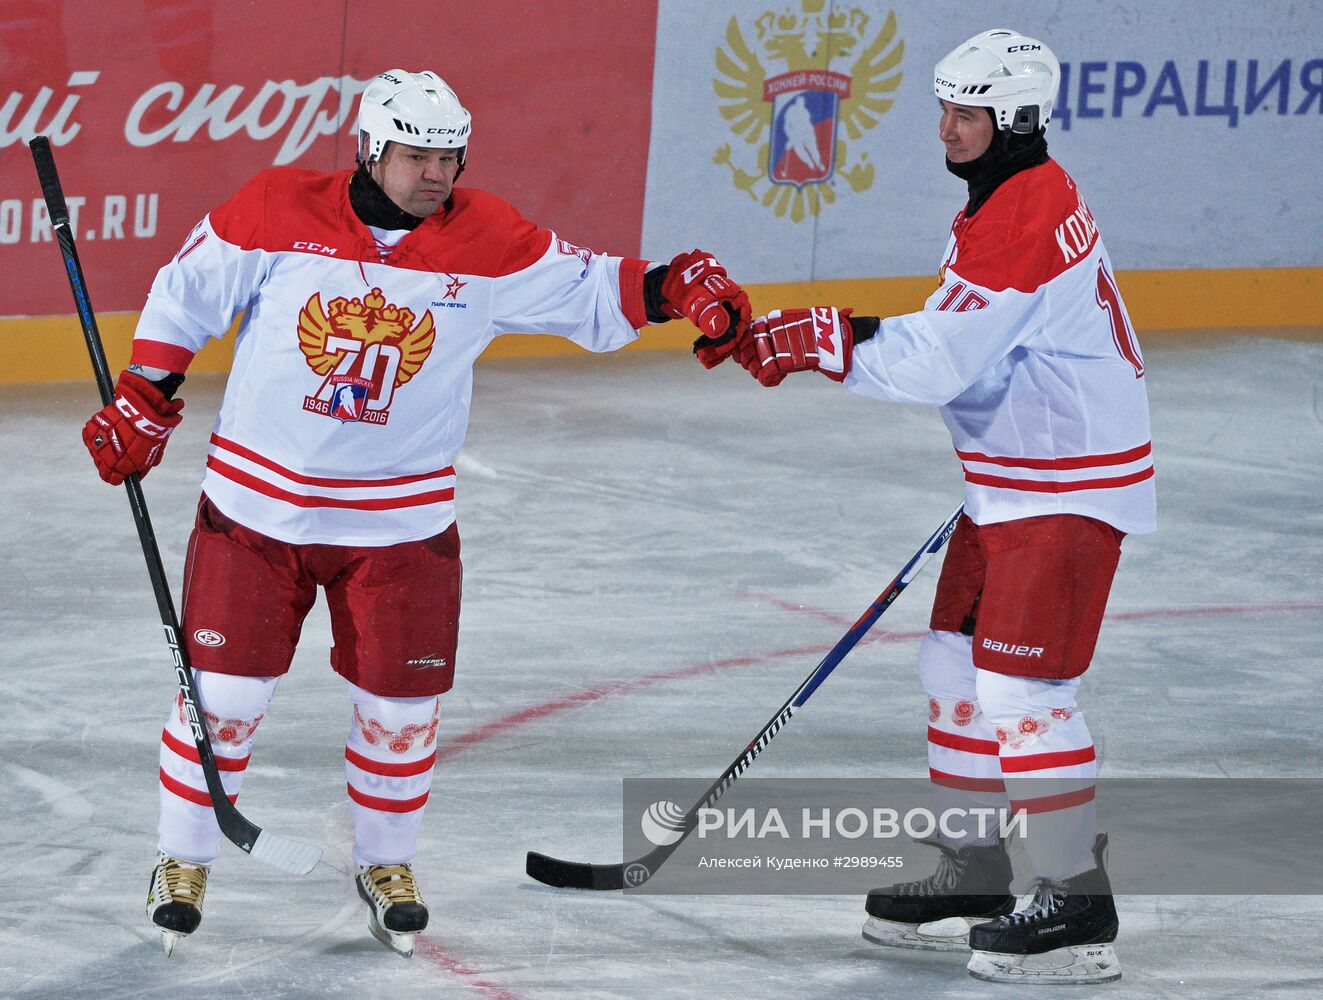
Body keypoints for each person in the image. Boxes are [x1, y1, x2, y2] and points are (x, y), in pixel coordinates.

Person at [82, 68, 751, 958]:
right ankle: (183, 859)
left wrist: (677, 288)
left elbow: (592, 289)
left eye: (449, 157)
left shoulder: (488, 238)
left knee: (401, 710)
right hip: (258, 511)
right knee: (225, 701)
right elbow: (184, 298)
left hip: (400, 527)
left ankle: (386, 863)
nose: (438, 173)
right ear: (368, 147)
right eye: (417, 156)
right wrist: (143, 397)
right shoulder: (277, 207)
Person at [703, 28, 1154, 986]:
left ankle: (1076, 902)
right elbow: (955, 337)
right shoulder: (1007, 196)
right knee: (949, 663)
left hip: (1066, 485)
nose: (943, 129)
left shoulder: (1026, 212)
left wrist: (820, 340)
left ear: (1018, 120)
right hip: (1017, 474)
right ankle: (976, 868)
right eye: (942, 108)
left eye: (965, 113)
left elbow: (942, 360)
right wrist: (819, 337)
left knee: (1023, 693)